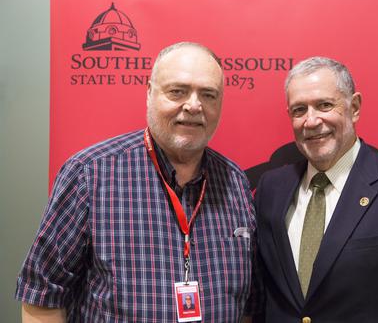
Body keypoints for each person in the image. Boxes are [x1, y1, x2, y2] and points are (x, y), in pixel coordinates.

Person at [16, 42, 260, 322]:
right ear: (149, 93)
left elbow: (248, 305)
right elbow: (42, 295)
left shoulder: (236, 184)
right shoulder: (90, 174)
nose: (194, 105)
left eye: (208, 94)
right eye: (177, 91)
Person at [254, 57, 378, 322]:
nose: (311, 121)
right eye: (299, 110)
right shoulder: (271, 189)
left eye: (325, 105)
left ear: (355, 107)